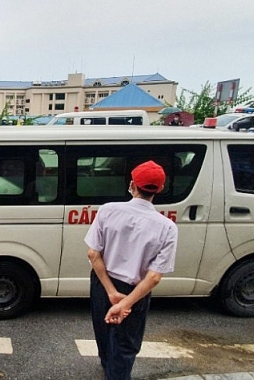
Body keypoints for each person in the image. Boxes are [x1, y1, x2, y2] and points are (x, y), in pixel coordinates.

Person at [85, 160, 178, 380]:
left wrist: (111, 292)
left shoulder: (108, 210)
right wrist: (126, 303)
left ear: (132, 185)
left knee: (103, 330)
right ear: (160, 189)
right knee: (126, 344)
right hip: (135, 290)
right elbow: (154, 277)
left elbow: (93, 254)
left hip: (102, 282)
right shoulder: (167, 227)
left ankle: (108, 366)